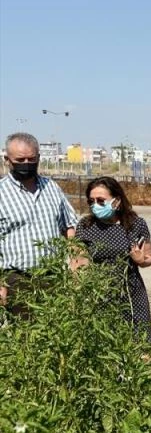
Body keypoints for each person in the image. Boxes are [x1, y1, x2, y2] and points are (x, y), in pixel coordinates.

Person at [1, 133, 78, 315]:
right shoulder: (2, 193)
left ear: (39, 158)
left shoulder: (51, 187)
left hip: (53, 276)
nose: (26, 163)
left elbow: (69, 226)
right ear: (7, 160)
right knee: (26, 336)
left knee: (58, 331)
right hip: (17, 279)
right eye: (20, 159)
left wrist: (76, 261)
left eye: (31, 159)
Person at [74, 177, 151, 338]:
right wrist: (77, 292)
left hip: (131, 292)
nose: (95, 205)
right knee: (104, 342)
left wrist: (140, 260)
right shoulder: (86, 226)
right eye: (91, 201)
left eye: (101, 201)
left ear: (117, 201)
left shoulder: (136, 224)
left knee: (138, 343)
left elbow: (149, 257)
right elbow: (78, 263)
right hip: (99, 294)